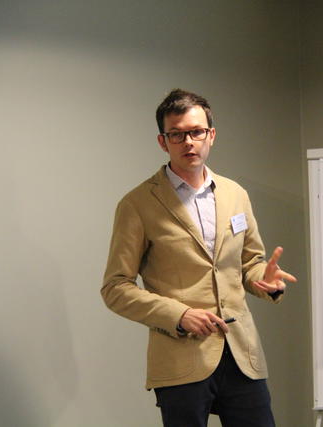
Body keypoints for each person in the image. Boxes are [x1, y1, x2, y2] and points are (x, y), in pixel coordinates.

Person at [101, 88, 296, 427]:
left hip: (241, 353)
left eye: (196, 132)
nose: (188, 142)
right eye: (177, 134)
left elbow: (250, 263)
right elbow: (115, 288)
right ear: (163, 142)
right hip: (181, 357)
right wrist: (180, 315)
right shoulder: (137, 204)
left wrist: (264, 280)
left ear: (211, 135)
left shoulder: (236, 194)